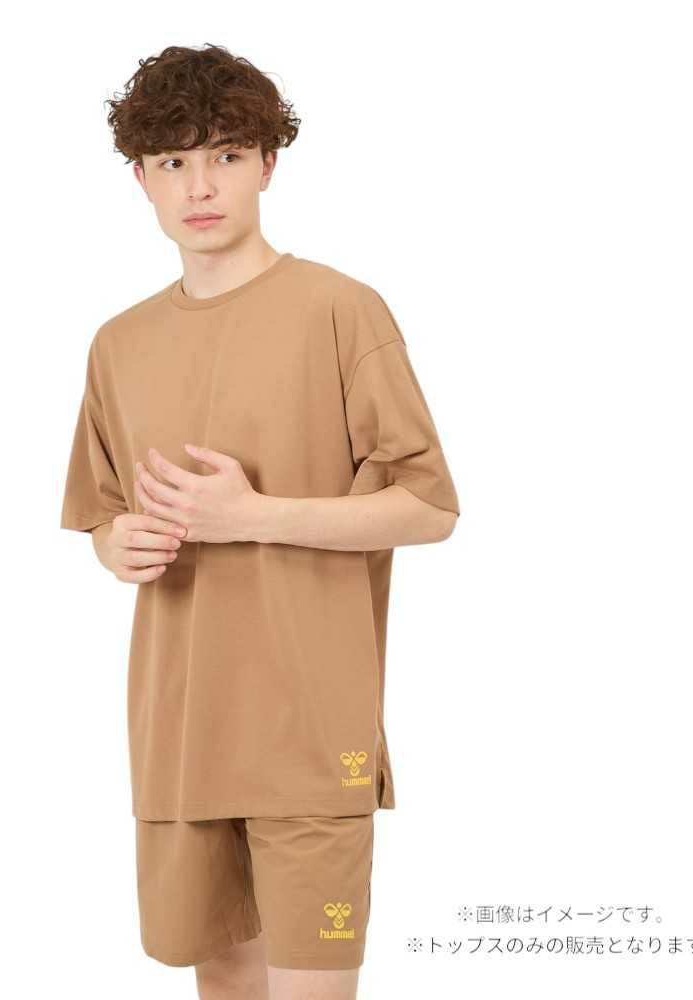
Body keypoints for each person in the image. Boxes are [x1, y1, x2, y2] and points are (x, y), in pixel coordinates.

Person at [60, 43, 461, 1000]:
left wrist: (252, 515)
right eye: (173, 161)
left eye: (227, 156)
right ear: (141, 178)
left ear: (268, 165)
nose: (200, 186)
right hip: (181, 737)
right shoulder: (119, 343)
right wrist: (121, 546)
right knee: (225, 990)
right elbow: (102, 518)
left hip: (312, 736)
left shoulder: (341, 311)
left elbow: (429, 506)